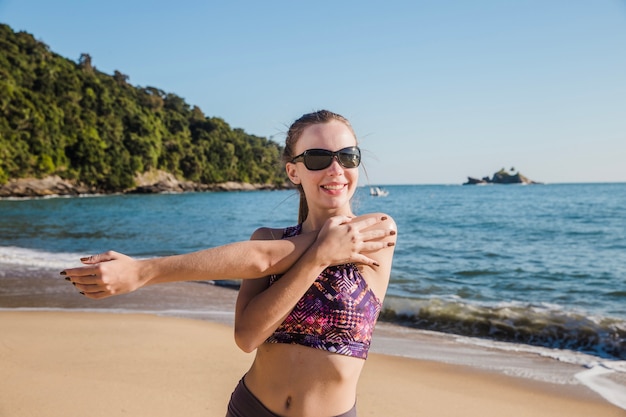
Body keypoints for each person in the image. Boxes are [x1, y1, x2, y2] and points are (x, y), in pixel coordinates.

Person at [62, 110, 397, 417]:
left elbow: (266, 259)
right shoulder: (267, 238)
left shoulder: (377, 231)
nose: (335, 169)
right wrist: (317, 259)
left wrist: (142, 271)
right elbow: (247, 337)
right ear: (293, 171)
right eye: (318, 158)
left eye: (347, 156)